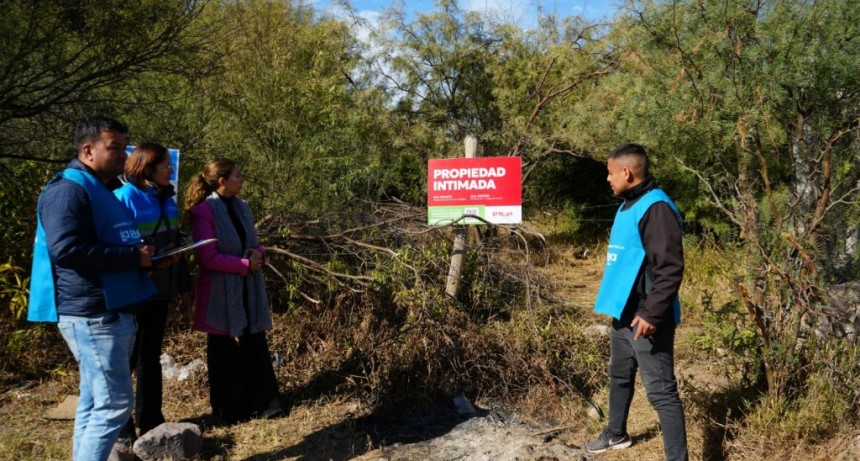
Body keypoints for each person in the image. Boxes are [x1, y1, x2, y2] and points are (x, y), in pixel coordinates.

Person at [27, 116, 157, 461]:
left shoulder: (99, 188)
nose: (123, 156)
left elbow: (105, 241)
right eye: (115, 148)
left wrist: (145, 258)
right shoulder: (67, 190)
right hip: (93, 312)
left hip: (105, 309)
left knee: (93, 401)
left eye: (124, 148)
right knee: (115, 404)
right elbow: (66, 250)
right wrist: (133, 257)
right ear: (88, 150)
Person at [586, 143, 688, 460]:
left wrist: (651, 314)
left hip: (647, 318)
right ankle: (616, 433)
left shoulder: (656, 208)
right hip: (624, 313)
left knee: (661, 392)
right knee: (619, 375)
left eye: (610, 172)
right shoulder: (629, 204)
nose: (607, 178)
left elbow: (669, 268)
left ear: (626, 172)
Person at [184, 158, 283, 423]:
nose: (242, 179)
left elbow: (254, 242)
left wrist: (258, 254)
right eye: (238, 175)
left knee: (255, 343)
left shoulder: (243, 207)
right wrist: (244, 264)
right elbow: (207, 257)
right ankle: (230, 411)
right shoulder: (203, 211)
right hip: (220, 293)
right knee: (223, 352)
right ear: (222, 181)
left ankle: (265, 403)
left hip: (248, 289)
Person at [114, 142, 191, 439]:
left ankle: (151, 422)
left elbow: (176, 244)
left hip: (161, 290)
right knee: (127, 360)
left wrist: (183, 287)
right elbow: (118, 246)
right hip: (133, 291)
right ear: (147, 169)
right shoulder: (123, 198)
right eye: (164, 166)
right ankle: (120, 429)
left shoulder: (168, 200)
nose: (170, 170)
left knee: (150, 356)